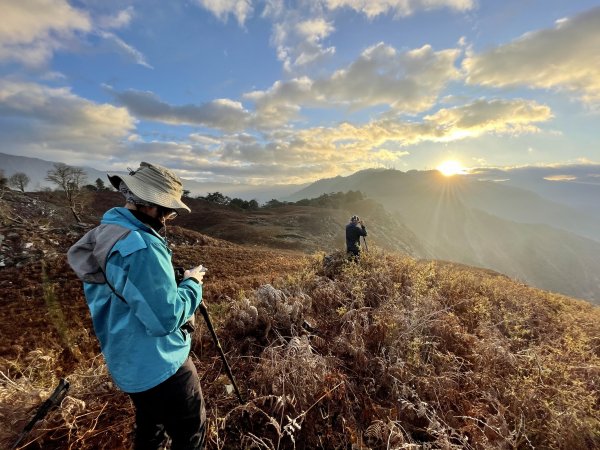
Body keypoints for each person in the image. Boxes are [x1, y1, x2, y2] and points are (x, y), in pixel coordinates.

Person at [67, 162, 207, 450]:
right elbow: (165, 319)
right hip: (163, 365)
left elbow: (130, 295)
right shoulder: (141, 246)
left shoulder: (106, 234)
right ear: (151, 206)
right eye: (169, 210)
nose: (170, 216)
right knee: (190, 437)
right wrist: (192, 284)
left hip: (129, 364)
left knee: (150, 432)